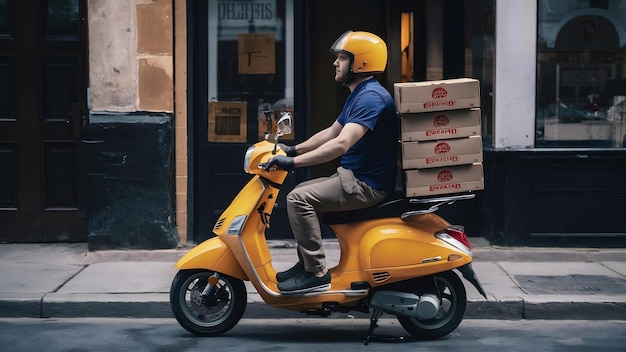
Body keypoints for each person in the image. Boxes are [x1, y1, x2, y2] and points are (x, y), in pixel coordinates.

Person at [263, 30, 398, 294]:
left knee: (298, 199)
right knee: (302, 196)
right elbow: (331, 131)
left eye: (342, 58)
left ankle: (316, 271)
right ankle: (306, 264)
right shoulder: (360, 94)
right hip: (353, 177)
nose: (335, 63)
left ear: (361, 62)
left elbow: (340, 143)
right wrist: (291, 150)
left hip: (366, 184)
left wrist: (293, 164)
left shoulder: (371, 98)